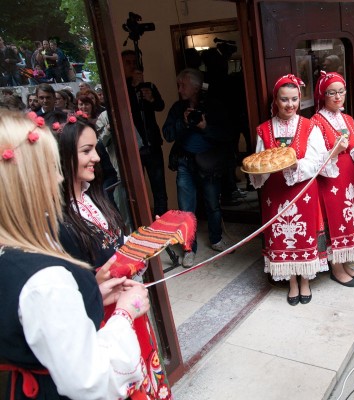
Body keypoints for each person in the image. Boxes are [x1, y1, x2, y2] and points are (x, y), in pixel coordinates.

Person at [0, 111, 150, 399]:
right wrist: (124, 315)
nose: (58, 176)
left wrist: (92, 291)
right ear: (25, 180)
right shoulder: (45, 280)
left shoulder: (15, 256)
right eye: (50, 167)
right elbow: (91, 379)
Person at [56, 115, 172, 399]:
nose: (96, 157)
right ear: (61, 155)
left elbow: (118, 249)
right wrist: (96, 283)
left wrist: (149, 240)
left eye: (96, 148)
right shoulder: (56, 218)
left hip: (128, 308)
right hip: (103, 322)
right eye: (86, 151)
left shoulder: (94, 197)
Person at [249, 74, 341, 305]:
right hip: (275, 194)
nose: (290, 105)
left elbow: (318, 161)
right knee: (282, 238)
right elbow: (260, 161)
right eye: (284, 99)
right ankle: (291, 282)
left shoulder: (310, 126)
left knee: (304, 236)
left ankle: (305, 281)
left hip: (303, 193)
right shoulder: (263, 130)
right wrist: (260, 171)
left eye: (294, 99)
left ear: (299, 100)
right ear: (276, 101)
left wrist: (294, 165)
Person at [311, 71, 354, 286]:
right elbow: (318, 159)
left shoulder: (348, 119)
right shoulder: (316, 122)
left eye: (341, 92)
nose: (338, 97)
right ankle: (336, 268)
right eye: (332, 93)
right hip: (331, 179)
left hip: (351, 177)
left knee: (350, 219)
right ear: (323, 95)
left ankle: (346, 262)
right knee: (335, 220)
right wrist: (334, 151)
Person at [163, 68, 231, 267]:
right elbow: (167, 134)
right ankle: (188, 249)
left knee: (212, 204)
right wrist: (182, 123)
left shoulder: (214, 106)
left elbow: (226, 134)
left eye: (182, 85)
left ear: (194, 86)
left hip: (208, 163)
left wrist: (205, 128)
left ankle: (216, 239)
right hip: (185, 162)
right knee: (186, 209)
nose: (179, 88)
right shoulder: (178, 109)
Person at [121, 50, 168, 217]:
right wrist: (133, 87)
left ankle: (163, 228)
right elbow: (123, 111)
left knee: (159, 189)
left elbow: (160, 106)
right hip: (133, 147)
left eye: (135, 62)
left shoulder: (149, 86)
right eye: (128, 62)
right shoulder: (121, 89)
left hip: (153, 144)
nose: (132, 66)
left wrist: (151, 99)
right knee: (135, 191)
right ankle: (141, 226)